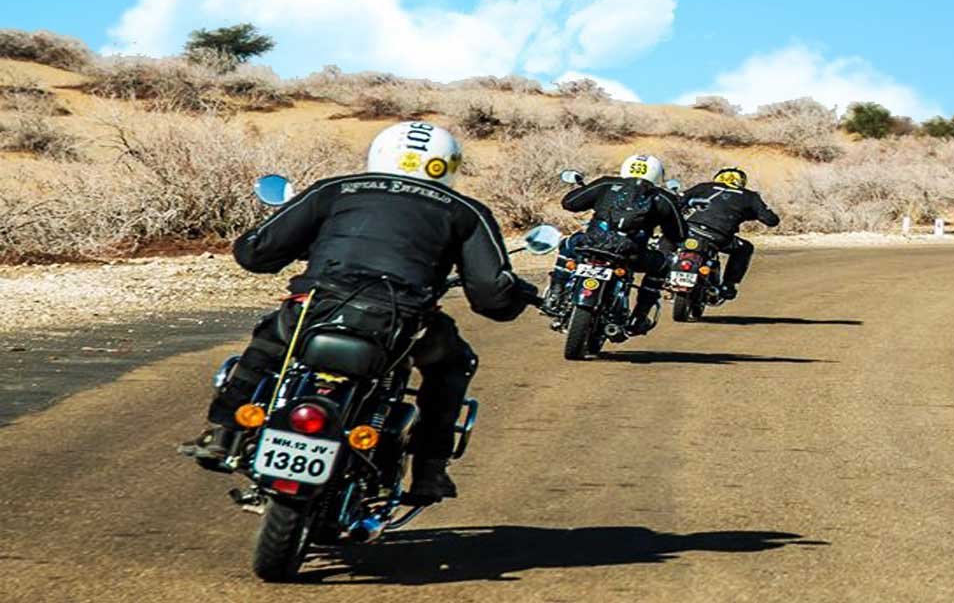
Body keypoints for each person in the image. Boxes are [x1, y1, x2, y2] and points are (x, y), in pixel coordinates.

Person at [182, 121, 538, 505]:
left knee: (268, 342)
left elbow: (255, 253)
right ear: (448, 164)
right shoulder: (466, 211)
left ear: (378, 153)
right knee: (453, 364)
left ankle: (223, 433)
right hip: (398, 324)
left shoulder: (336, 189)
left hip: (316, 311)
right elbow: (491, 296)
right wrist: (518, 294)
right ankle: (429, 470)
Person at [542, 154, 686, 335]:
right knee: (662, 266)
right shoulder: (663, 198)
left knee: (568, 244)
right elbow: (679, 234)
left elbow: (569, 203)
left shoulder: (606, 184)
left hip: (590, 244)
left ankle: (555, 293)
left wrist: (588, 192)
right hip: (629, 253)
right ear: (658, 174)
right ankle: (639, 316)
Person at [678, 167, 780, 301]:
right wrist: (751, 214)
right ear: (741, 181)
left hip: (690, 231)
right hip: (719, 237)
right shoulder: (750, 196)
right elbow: (771, 220)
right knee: (744, 248)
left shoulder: (704, 187)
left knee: (668, 238)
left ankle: (658, 272)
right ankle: (728, 285)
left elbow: (678, 201)